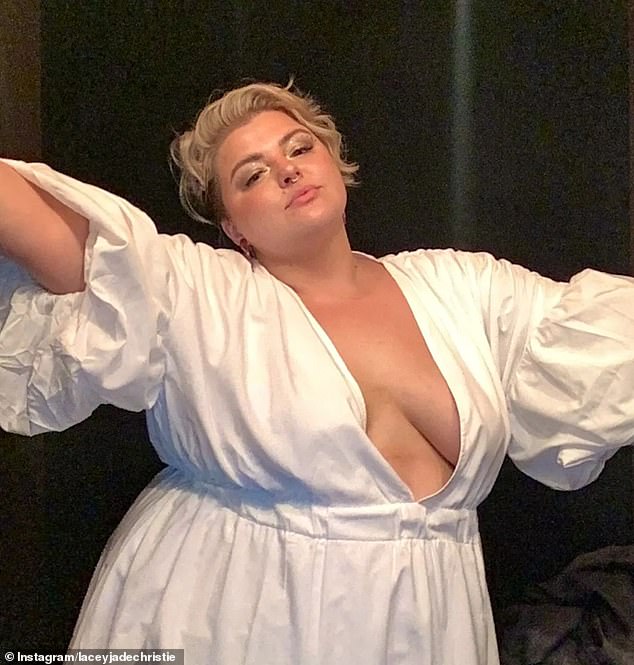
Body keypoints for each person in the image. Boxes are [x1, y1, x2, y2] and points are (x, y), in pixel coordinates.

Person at [0, 80, 632, 665]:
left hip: (433, 621)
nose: (287, 170)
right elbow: (33, 217)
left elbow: (610, 341)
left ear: (335, 162)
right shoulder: (195, 292)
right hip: (232, 615)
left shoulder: (461, 287)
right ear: (234, 228)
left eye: (299, 147)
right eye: (253, 175)